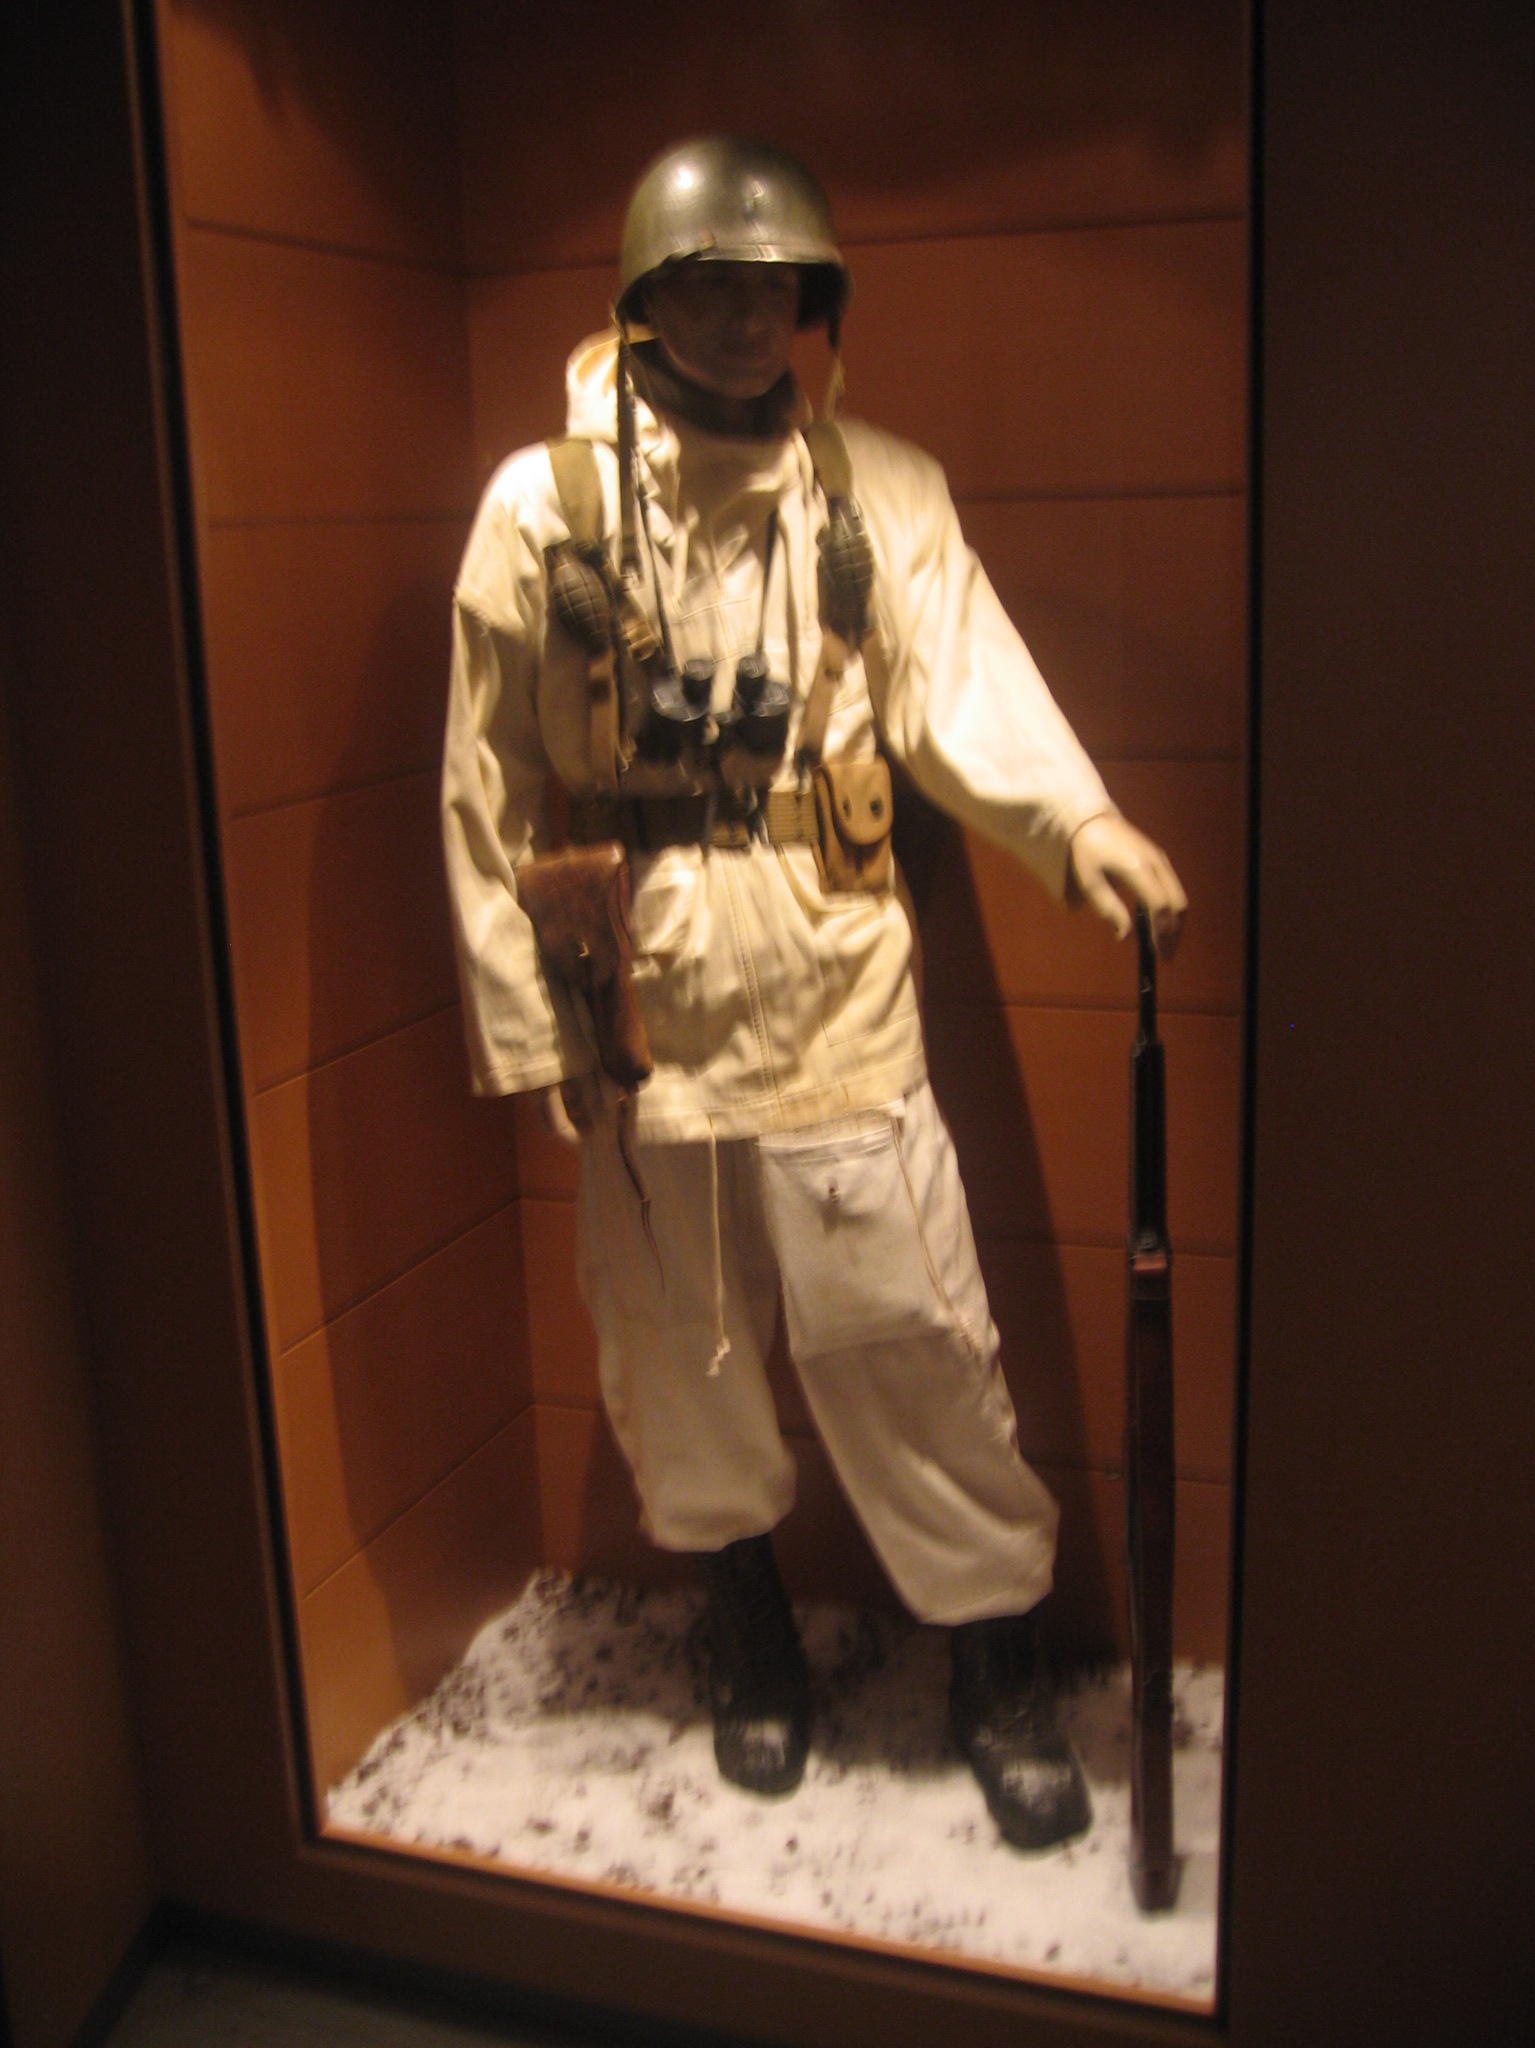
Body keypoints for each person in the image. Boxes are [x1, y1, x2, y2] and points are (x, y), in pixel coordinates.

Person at [442, 137, 1186, 1852]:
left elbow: (961, 676)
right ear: (646, 296)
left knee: (913, 1340)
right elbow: (482, 780)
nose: (741, 316)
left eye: (773, 286)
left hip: (837, 985)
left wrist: (1075, 820)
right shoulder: (542, 510)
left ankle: (993, 1653)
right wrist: (525, 1020)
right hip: (638, 1004)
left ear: (814, 302)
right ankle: (745, 1618)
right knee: (673, 1351)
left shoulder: (881, 493)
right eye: (707, 284)